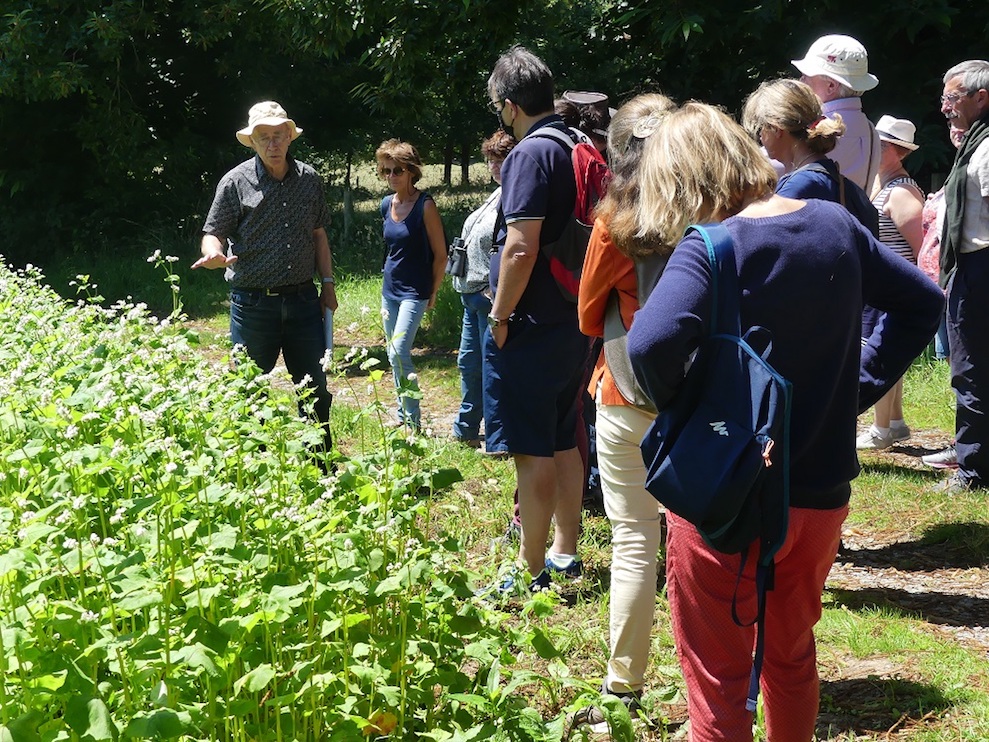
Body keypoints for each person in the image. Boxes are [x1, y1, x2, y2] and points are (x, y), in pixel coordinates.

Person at [626, 102, 942, 741]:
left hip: (725, 498)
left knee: (717, 681)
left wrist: (687, 404)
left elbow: (648, 347)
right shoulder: (834, 224)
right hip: (820, 493)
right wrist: (858, 386)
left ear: (681, 183)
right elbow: (922, 302)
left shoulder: (710, 246)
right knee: (791, 656)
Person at [574, 93, 677, 723]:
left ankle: (623, 688)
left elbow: (589, 314)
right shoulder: (717, 210)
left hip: (627, 391)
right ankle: (725, 686)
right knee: (707, 543)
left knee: (636, 541)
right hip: (703, 397)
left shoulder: (617, 221)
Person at [484, 46, 587, 592]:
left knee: (531, 447)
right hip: (576, 315)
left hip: (533, 320)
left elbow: (520, 248)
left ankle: (529, 570)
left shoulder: (528, 155)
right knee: (564, 434)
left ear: (508, 105)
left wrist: (499, 315)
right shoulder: (577, 142)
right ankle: (566, 551)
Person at [194, 100, 336, 453]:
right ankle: (255, 473)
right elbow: (214, 232)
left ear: (290, 137)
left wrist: (328, 284)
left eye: (278, 136)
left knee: (315, 388)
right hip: (253, 305)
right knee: (249, 390)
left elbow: (319, 234)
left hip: (304, 302)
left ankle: (320, 469)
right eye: (264, 138)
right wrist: (212, 252)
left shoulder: (310, 180)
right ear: (252, 142)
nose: (273, 144)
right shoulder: (235, 182)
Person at [854, 116, 925, 450]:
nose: (876, 150)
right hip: (881, 286)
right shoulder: (881, 186)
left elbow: (921, 245)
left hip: (893, 288)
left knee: (878, 354)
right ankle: (893, 423)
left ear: (899, 152)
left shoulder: (901, 192)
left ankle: (882, 429)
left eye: (884, 146)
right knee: (887, 355)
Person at [936, 60, 989, 493]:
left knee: (970, 368)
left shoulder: (986, 147)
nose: (945, 108)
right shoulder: (975, 143)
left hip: (980, 269)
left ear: (980, 98)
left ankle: (973, 472)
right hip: (973, 267)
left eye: (952, 98)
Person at [376, 139, 447, 431]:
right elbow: (390, 250)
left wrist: (433, 290)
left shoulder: (425, 206)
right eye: (386, 171)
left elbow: (441, 255)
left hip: (414, 291)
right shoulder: (385, 205)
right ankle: (403, 412)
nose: (392, 177)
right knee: (393, 355)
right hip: (389, 290)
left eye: (397, 171)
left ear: (411, 172)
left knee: (398, 351)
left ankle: (413, 420)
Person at [451, 130, 517, 446]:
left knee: (492, 370)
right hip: (470, 294)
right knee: (469, 364)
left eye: (501, 159)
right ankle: (465, 430)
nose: (494, 165)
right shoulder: (497, 192)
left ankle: (497, 440)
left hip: (489, 295)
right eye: (490, 158)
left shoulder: (517, 193)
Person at [791, 33, 881, 192]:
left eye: (806, 76)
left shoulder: (817, 128)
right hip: (854, 217)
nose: (801, 81)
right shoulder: (871, 130)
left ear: (831, 86)